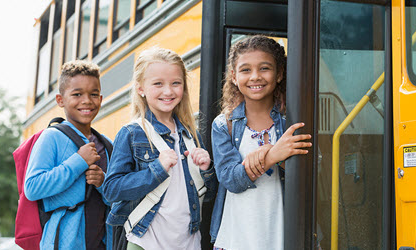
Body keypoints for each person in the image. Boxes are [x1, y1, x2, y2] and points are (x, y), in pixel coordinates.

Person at [102, 47, 217, 250]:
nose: (168, 91)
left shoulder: (191, 135)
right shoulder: (132, 133)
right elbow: (111, 190)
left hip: (188, 242)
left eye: (176, 83)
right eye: (158, 84)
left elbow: (208, 196)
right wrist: (156, 170)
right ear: (141, 89)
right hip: (144, 243)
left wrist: (206, 171)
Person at [210, 35, 312, 250]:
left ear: (279, 74)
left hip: (282, 237)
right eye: (245, 70)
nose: (255, 76)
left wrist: (268, 155)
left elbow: (311, 172)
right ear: (234, 77)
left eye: (264, 68)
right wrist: (272, 155)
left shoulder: (292, 121)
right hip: (235, 239)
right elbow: (230, 179)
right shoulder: (223, 125)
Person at [24, 60, 113, 249]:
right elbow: (32, 187)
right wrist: (79, 161)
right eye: (77, 94)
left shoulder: (107, 144)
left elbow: (118, 198)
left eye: (94, 94)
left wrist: (102, 182)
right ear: (60, 100)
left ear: (101, 98)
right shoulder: (52, 137)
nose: (87, 100)